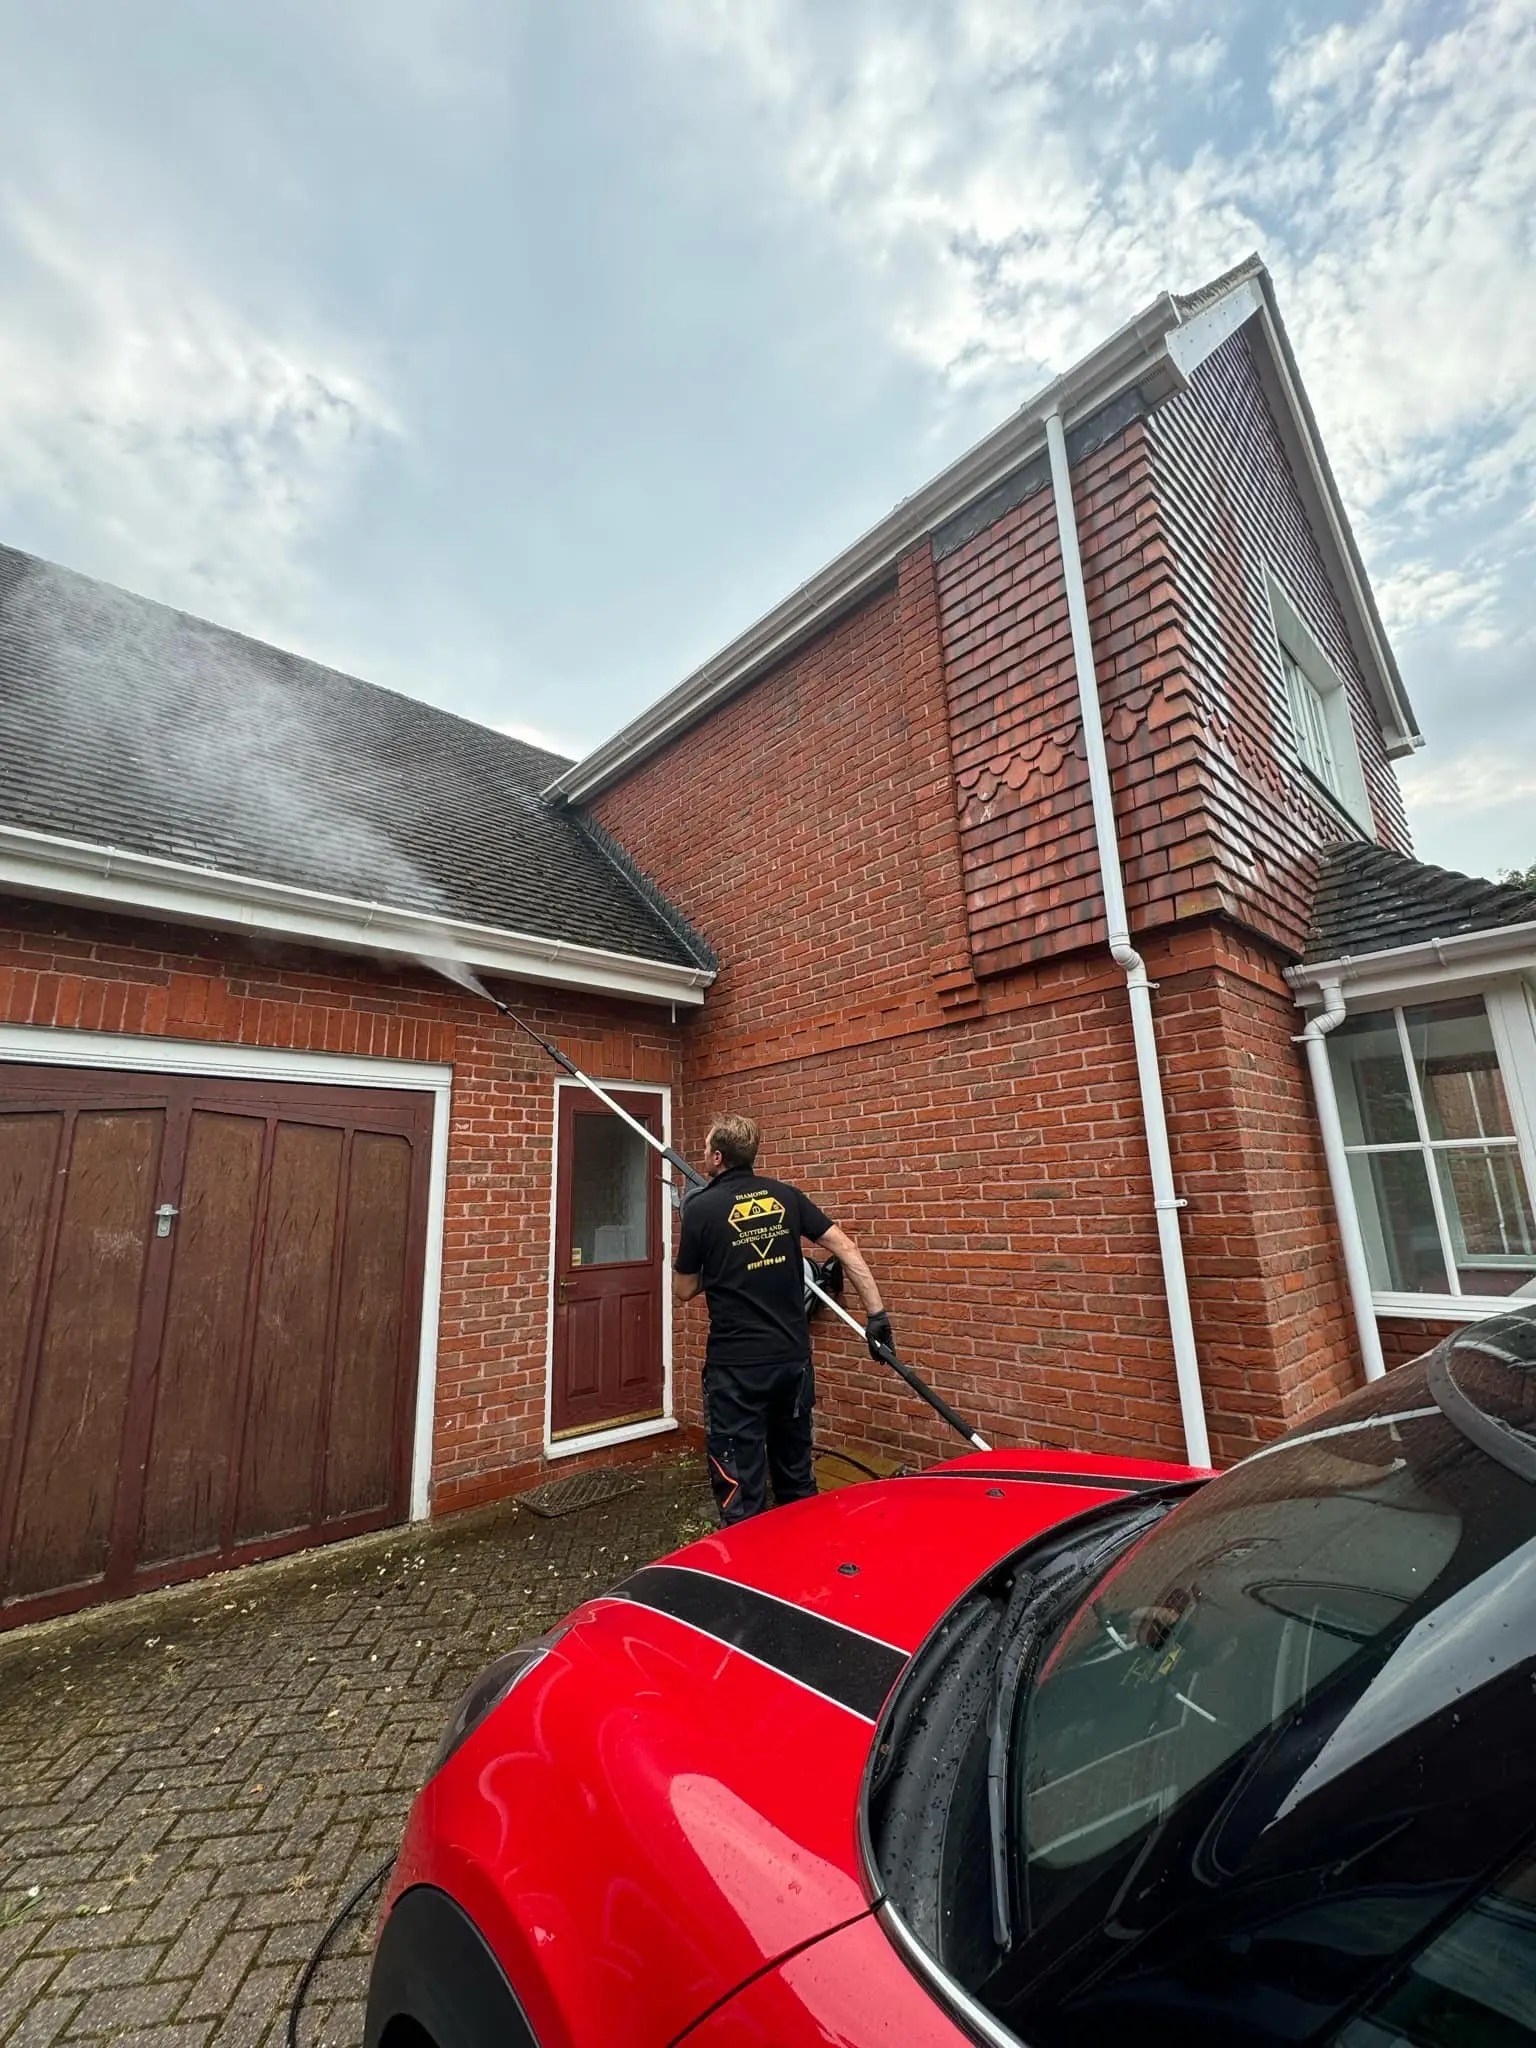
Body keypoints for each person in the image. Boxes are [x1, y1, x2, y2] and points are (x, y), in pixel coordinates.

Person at [673, 1112, 890, 1524]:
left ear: (717, 1157)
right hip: (792, 1363)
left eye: (705, 1148)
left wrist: (721, 1262)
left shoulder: (700, 1208)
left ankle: (748, 1577)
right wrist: (877, 1316)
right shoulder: (787, 1196)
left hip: (736, 1374)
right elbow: (845, 1247)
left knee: (741, 1490)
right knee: (796, 1479)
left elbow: (683, 1290)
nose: (702, 1153)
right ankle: (808, 1572)